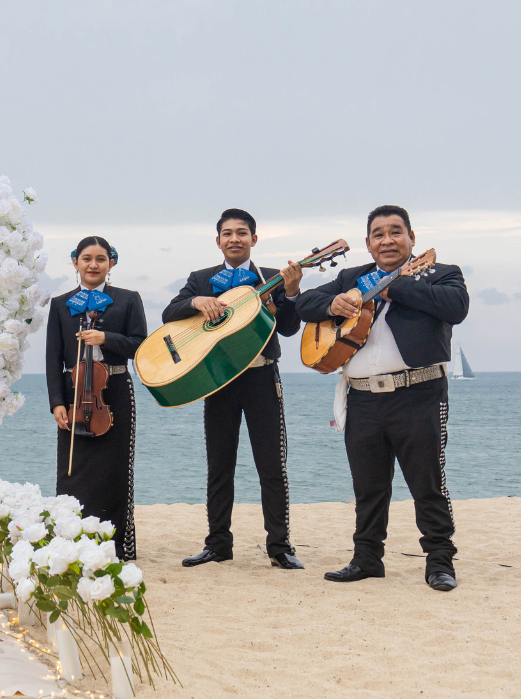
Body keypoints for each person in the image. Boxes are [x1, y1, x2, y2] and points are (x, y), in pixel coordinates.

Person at [295, 205, 468, 591]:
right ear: (368, 243)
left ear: (412, 238)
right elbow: (300, 304)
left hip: (419, 394)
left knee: (428, 483)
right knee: (368, 487)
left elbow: (457, 308)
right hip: (363, 399)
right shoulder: (352, 277)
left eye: (395, 232)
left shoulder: (440, 274)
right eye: (378, 233)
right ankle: (367, 558)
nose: (387, 239)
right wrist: (331, 304)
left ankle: (439, 560)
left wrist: (396, 284)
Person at [163, 208, 305, 570]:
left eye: (242, 233)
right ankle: (218, 545)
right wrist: (196, 301)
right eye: (227, 233)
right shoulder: (201, 278)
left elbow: (288, 328)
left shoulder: (272, 277)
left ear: (254, 239)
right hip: (217, 381)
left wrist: (291, 292)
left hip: (262, 376)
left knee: (272, 464)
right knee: (219, 465)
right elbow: (169, 313)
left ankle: (280, 546)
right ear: (218, 241)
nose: (235, 239)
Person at [46, 237, 147, 560]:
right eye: (86, 258)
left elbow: (140, 345)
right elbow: (53, 357)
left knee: (115, 467)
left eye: (101, 259)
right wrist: (57, 402)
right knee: (73, 467)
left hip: (114, 390)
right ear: (74, 262)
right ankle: (72, 541)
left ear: (111, 264)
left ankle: (116, 544)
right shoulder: (61, 304)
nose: (93, 265)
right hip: (74, 392)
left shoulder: (128, 299)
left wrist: (107, 338)